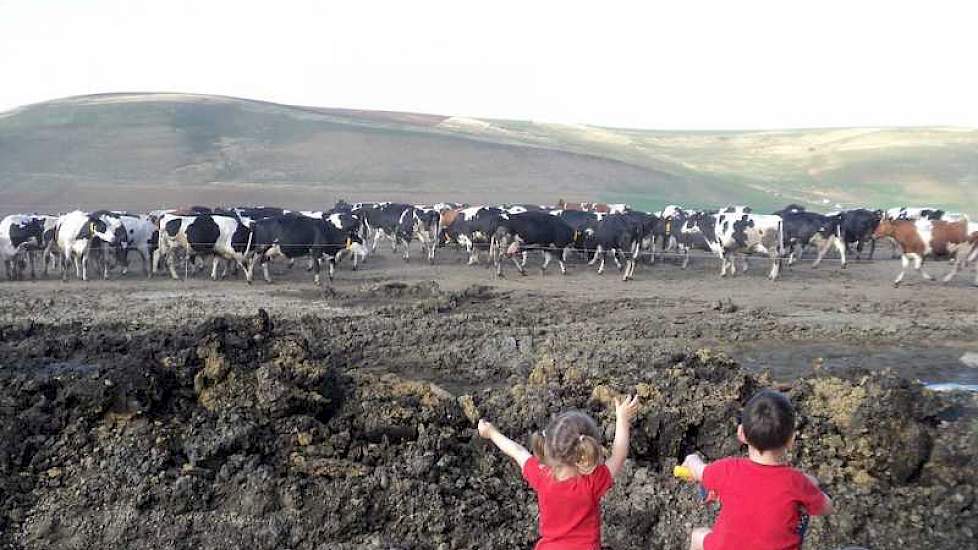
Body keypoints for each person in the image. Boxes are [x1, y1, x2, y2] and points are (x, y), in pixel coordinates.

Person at [478, 395, 641, 550]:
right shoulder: (591, 482)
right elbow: (619, 455)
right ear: (585, 452)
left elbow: (518, 451)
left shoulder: (541, 475)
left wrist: (492, 433)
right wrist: (622, 419)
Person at [682, 389, 833, 550]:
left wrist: (691, 459)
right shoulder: (796, 482)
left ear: (741, 433)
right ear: (791, 440)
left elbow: (699, 471)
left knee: (698, 535)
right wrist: (810, 485)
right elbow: (827, 507)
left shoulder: (728, 469)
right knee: (800, 513)